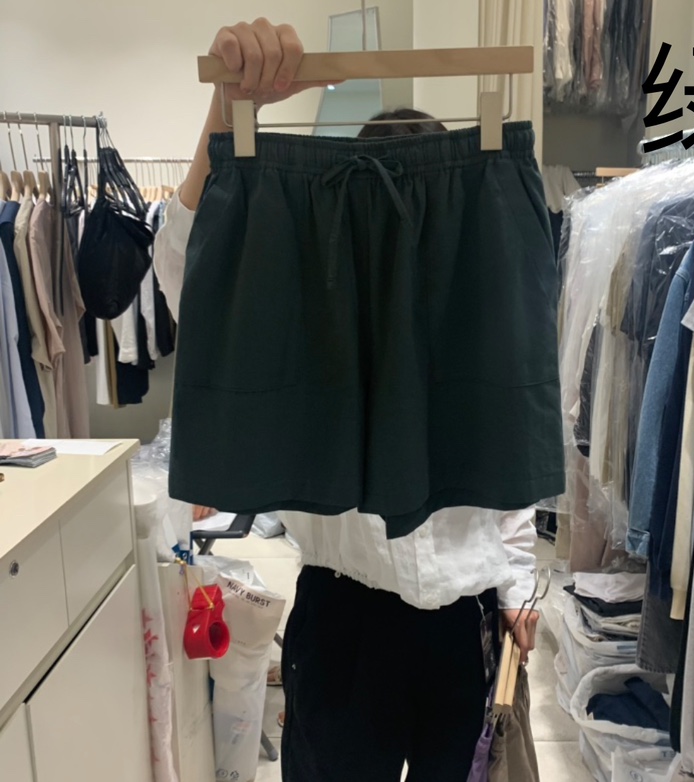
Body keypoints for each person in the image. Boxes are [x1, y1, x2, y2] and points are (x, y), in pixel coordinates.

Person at [154, 19, 541, 782]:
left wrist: (519, 583)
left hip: (463, 617)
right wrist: (231, 109)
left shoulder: (479, 296)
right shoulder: (312, 302)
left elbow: (513, 440)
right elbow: (188, 275)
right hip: (344, 615)